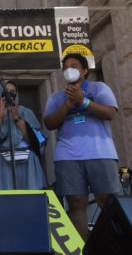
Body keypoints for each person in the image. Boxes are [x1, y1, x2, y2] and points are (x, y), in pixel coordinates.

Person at [44, 53, 119, 240]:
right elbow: (50, 123)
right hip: (67, 157)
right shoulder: (56, 98)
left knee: (107, 201)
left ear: (85, 70)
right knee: (76, 203)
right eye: (66, 66)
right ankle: (82, 250)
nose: (69, 69)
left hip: (100, 152)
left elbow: (110, 113)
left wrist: (83, 101)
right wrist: (68, 105)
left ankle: (115, 246)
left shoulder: (99, 88)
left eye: (74, 65)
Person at [0, 80, 47, 190]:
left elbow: (38, 143)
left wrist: (16, 117)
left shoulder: (26, 113)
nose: (9, 95)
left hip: (27, 165)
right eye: (5, 91)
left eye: (12, 91)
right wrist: (0, 116)